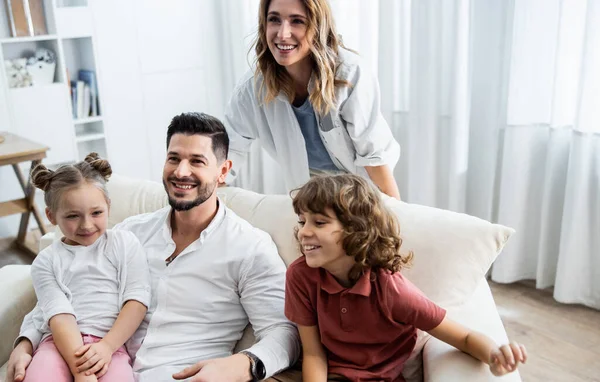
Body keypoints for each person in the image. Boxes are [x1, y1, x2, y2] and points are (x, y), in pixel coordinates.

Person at [7, 112, 299, 382]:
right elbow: (65, 288)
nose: (181, 171)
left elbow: (284, 332)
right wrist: (26, 341)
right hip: (105, 368)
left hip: (176, 373)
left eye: (197, 161)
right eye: (174, 158)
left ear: (223, 171)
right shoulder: (129, 232)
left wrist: (243, 365)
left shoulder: (250, 247)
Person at [285, 174, 528, 381]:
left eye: (319, 222)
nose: (304, 232)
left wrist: (495, 355)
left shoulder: (391, 291)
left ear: (357, 230)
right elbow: (314, 353)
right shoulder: (300, 276)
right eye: (302, 221)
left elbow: (463, 337)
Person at [224, 0, 401, 199]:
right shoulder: (252, 88)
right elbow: (229, 149)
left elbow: (373, 158)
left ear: (318, 27)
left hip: (360, 192)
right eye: (274, 19)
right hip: (309, 196)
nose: (282, 34)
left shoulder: (350, 75)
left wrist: (397, 220)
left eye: (297, 21)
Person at [23, 153, 151, 382]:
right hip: (58, 345)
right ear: (51, 216)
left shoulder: (124, 243)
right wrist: (83, 373)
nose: (86, 224)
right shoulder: (46, 261)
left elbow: (137, 300)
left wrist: (107, 347)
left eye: (97, 213)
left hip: (111, 348)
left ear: (108, 207)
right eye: (73, 216)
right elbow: (58, 315)